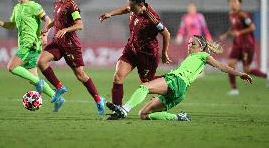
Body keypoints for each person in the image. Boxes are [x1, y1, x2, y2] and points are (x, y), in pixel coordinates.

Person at [106, 35, 252, 121]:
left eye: (193, 44)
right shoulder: (192, 58)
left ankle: (124, 110)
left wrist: (240, 74)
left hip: (176, 81)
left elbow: (222, 66)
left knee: (144, 87)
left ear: (201, 48)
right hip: (180, 92)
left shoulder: (203, 56)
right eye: (188, 44)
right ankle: (179, 117)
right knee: (143, 114)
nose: (189, 46)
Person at [99, 0, 171, 119]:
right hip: (131, 49)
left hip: (147, 55)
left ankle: (171, 82)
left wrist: (164, 53)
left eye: (132, 7)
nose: (130, 9)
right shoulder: (133, 8)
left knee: (146, 83)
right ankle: (118, 112)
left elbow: (166, 33)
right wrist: (111, 14)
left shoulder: (152, 18)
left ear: (141, 5)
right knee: (118, 76)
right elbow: (126, 9)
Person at [0, 0, 64, 112]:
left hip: (31, 44)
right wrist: (1, 23)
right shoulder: (17, 8)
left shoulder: (34, 6)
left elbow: (48, 20)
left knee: (11, 67)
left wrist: (44, 35)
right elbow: (12, 25)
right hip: (26, 45)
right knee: (33, 78)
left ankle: (39, 83)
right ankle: (57, 97)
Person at [37, 0, 105, 115]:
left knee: (80, 75)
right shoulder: (57, 4)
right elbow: (57, 20)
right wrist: (47, 28)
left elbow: (80, 25)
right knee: (41, 62)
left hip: (71, 45)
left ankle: (98, 99)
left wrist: (66, 30)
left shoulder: (72, 5)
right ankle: (59, 87)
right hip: (58, 42)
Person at [219, 0, 267, 95]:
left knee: (247, 69)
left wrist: (240, 32)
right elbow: (233, 26)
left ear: (239, 4)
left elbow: (252, 27)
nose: (233, 3)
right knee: (231, 64)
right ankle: (234, 89)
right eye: (231, 1)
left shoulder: (243, 15)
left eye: (235, 1)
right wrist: (226, 34)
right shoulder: (231, 14)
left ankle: (266, 76)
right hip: (237, 44)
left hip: (247, 45)